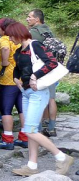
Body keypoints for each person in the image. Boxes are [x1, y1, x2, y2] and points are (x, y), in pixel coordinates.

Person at [4, 22, 74, 176]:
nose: (10, 38)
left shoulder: (35, 46)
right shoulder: (19, 50)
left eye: (11, 35)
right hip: (26, 92)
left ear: (18, 33)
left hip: (38, 92)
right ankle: (32, 165)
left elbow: (52, 62)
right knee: (32, 129)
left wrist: (36, 75)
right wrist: (16, 78)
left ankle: (61, 157)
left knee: (29, 130)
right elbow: (18, 68)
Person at [0, 18, 28, 150]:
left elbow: (5, 49)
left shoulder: (4, 39)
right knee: (21, 108)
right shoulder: (18, 39)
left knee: (6, 108)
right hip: (20, 77)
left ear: (3, 28)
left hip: (8, 78)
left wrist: (5, 62)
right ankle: (24, 137)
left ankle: (7, 139)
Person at [26, 9, 58, 137]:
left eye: (29, 17)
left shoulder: (32, 33)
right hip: (53, 67)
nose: (27, 19)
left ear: (37, 19)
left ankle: (38, 128)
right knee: (51, 98)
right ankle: (51, 127)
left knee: (38, 98)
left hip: (39, 70)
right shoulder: (49, 31)